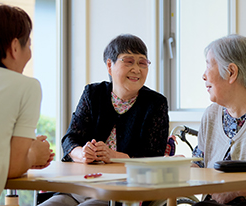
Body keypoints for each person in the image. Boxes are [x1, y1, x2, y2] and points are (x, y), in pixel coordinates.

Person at [39, 34, 169, 205]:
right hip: (80, 186)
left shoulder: (155, 103)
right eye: (129, 61)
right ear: (110, 65)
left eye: (142, 63)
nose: (137, 69)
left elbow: (153, 157)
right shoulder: (92, 94)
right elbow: (70, 139)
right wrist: (82, 153)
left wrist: (113, 156)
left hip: (122, 192)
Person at [0, 4, 54, 206]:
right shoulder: (25, 86)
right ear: (14, 48)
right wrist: (34, 154)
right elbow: (14, 165)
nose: (29, 55)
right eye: (28, 46)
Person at [192, 34, 246, 206]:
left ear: (231, 72)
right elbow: (198, 164)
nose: (203, 76)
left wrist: (236, 190)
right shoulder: (211, 115)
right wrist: (180, 167)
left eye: (208, 66)